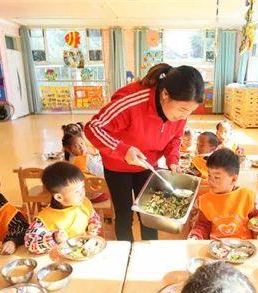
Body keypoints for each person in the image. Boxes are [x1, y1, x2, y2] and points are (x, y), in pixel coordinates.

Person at [84, 63, 204, 241]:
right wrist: (123, 150)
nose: (184, 117)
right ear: (165, 95)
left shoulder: (179, 113)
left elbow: (175, 138)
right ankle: (127, 254)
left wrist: (172, 159)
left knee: (151, 215)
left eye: (190, 112)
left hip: (148, 165)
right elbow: (93, 128)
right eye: (182, 110)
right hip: (118, 167)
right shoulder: (132, 101)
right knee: (124, 214)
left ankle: (150, 254)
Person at [189, 148, 258, 239]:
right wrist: (195, 236)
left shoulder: (249, 196)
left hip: (244, 247)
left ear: (234, 179)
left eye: (217, 177)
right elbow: (202, 226)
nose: (210, 180)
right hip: (216, 247)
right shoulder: (204, 201)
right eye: (209, 175)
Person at [25, 162, 102, 254]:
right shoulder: (45, 218)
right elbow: (30, 243)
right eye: (76, 191)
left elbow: (93, 218)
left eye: (82, 187)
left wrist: (93, 226)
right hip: (61, 260)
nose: (82, 193)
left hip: (85, 252)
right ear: (59, 197)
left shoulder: (84, 204)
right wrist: (54, 238)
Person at [61, 132, 109, 203]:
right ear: (69, 150)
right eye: (76, 146)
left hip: (83, 192)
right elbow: (104, 172)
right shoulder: (86, 160)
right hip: (97, 193)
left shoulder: (71, 158)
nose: (81, 147)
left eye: (81, 143)